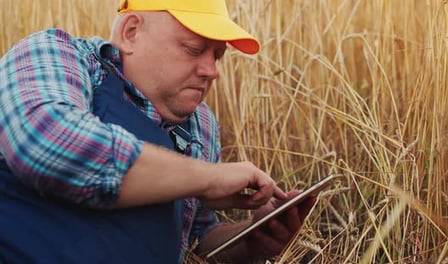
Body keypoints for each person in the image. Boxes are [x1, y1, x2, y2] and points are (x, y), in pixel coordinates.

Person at [0, 0, 316, 263]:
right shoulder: (58, 55)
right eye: (194, 49)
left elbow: (197, 240)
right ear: (131, 32)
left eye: (217, 55)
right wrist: (210, 178)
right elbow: (45, 141)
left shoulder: (202, 128)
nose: (212, 71)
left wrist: (250, 241)